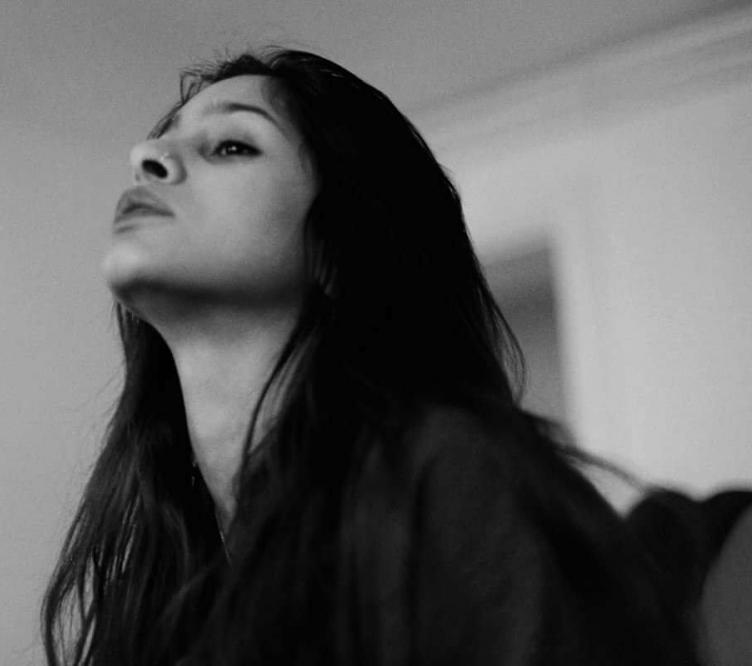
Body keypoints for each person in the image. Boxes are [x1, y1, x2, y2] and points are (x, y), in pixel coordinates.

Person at [42, 48, 698, 665]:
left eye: (232, 145)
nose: (146, 156)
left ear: (337, 248)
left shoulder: (444, 474)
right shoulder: (164, 580)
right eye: (159, 142)